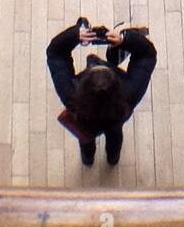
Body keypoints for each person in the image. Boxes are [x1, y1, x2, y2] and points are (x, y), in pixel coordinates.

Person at [46, 18, 157, 166]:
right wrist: (125, 40)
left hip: (84, 123)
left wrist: (74, 35)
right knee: (115, 137)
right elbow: (147, 55)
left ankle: (87, 159)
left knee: (85, 139)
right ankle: (113, 158)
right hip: (115, 121)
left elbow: (55, 53)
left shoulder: (70, 95)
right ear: (116, 85)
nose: (94, 60)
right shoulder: (129, 94)